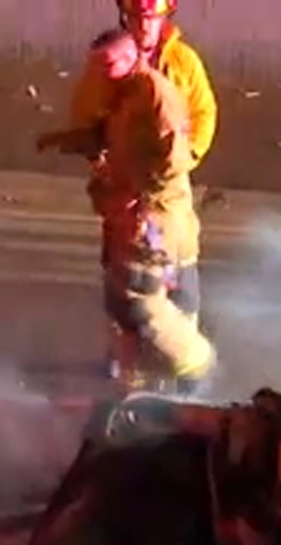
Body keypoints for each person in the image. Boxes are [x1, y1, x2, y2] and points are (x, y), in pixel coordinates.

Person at [40, 29, 214, 392]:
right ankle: (141, 381)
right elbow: (107, 134)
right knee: (135, 298)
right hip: (136, 212)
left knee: (141, 301)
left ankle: (195, 366)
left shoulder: (156, 95)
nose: (102, 72)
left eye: (108, 64)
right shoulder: (124, 93)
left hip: (158, 216)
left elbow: (174, 158)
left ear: (130, 58)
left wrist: (144, 198)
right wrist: (63, 141)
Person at [73, 0, 217, 318]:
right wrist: (99, 157)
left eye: (150, 18)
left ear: (164, 18)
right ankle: (124, 357)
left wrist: (188, 155)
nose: (143, 26)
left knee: (179, 263)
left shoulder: (184, 62)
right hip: (124, 180)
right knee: (124, 277)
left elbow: (204, 112)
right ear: (125, 17)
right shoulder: (108, 61)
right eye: (135, 18)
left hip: (168, 185)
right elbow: (84, 113)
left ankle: (182, 341)